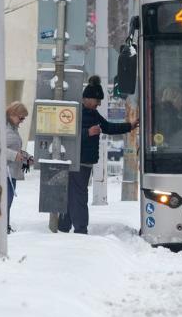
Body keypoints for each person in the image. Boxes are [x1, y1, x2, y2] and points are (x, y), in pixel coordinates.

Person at [59, 75, 138, 234]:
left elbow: (108, 127)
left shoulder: (93, 114)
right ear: (87, 98)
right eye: (97, 100)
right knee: (79, 195)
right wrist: (88, 132)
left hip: (85, 162)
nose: (99, 104)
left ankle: (64, 226)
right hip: (77, 161)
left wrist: (129, 126)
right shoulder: (76, 113)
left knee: (73, 194)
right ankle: (80, 229)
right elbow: (66, 134)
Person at [6, 101, 32, 234]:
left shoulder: (13, 129)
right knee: (4, 201)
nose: (22, 121)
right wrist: (14, 155)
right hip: (2, 173)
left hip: (11, 172)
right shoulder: (2, 128)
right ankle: (1, 228)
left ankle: (5, 226)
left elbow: (15, 149)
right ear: (12, 114)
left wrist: (27, 157)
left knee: (7, 201)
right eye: (21, 118)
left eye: (24, 119)